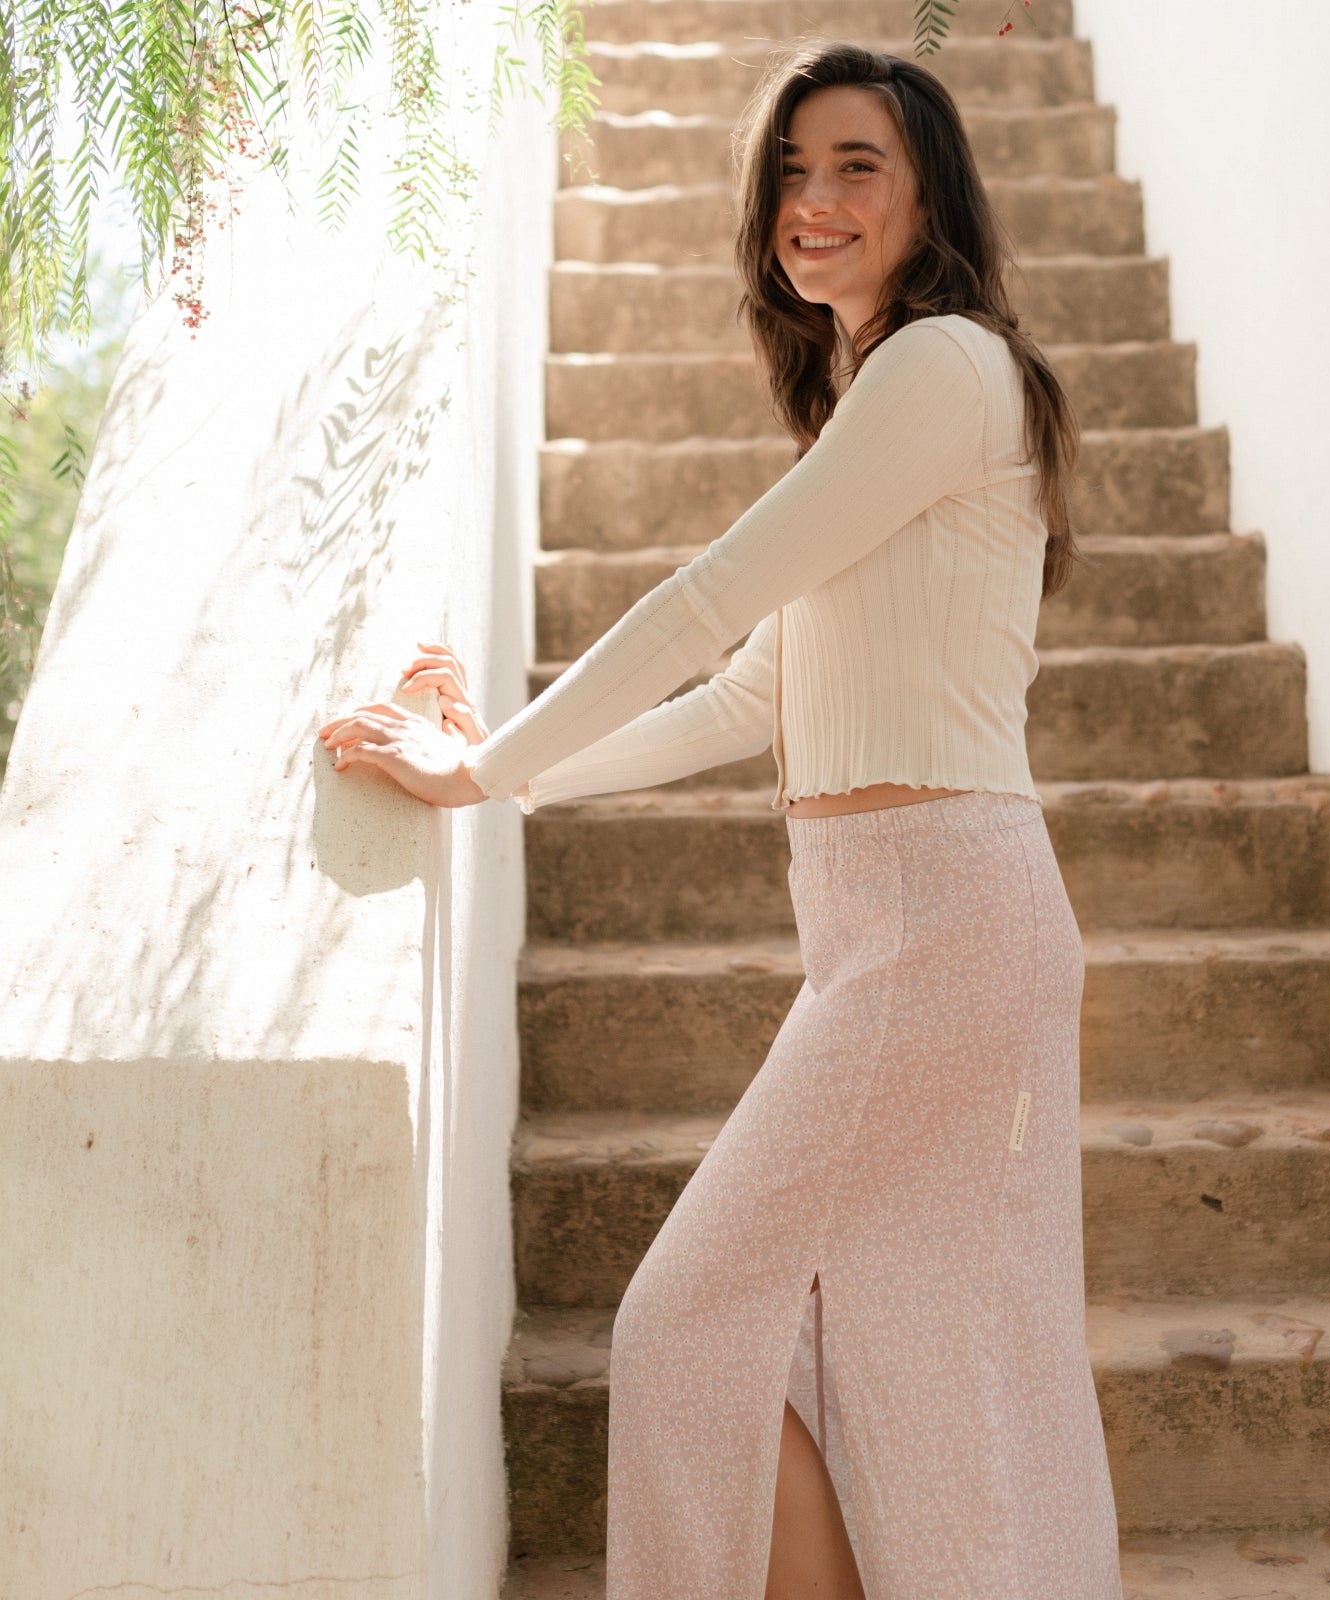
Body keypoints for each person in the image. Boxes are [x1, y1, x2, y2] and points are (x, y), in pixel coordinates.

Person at [318, 40, 1125, 1600]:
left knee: (696, 1324)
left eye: (856, 166)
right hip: (901, 924)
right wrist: (512, 769)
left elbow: (708, 600)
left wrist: (478, 773)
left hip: (941, 920)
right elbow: (746, 699)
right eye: (791, 172)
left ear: (931, 198)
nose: (813, 198)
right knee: (877, 1343)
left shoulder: (944, 369)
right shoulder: (882, 402)